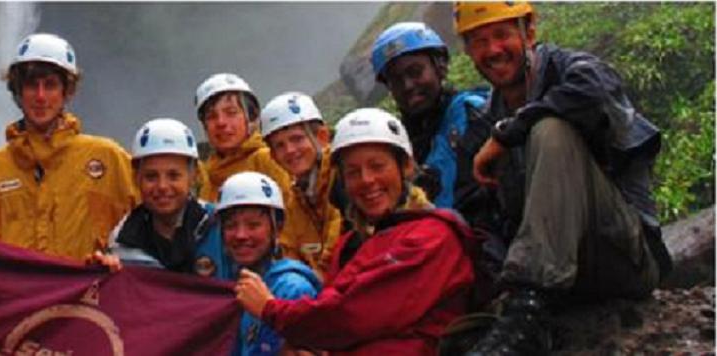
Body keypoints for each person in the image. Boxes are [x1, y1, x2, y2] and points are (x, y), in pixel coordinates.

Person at [453, 2, 672, 354]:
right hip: (562, 283)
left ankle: (529, 311)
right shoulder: (480, 123)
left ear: (530, 32)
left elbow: (595, 89)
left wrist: (511, 132)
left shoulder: (572, 70)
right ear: (468, 51)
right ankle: (526, 307)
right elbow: (478, 215)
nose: (492, 50)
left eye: (501, 35)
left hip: (622, 256)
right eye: (478, 41)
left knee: (551, 129)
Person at [235, 108, 476, 355]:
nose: (367, 180)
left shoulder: (432, 237)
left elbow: (351, 315)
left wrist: (270, 309)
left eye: (377, 166)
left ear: (404, 166)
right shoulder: (351, 243)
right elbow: (332, 311)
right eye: (353, 173)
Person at [0, 33, 139, 261]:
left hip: (87, 295)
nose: (40, 96)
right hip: (16, 296)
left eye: (50, 85)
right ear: (18, 90)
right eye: (31, 85)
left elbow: (159, 224)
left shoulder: (109, 160)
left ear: (66, 91)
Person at [91, 118, 232, 279]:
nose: (162, 186)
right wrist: (106, 275)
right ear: (136, 178)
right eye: (151, 176)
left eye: (173, 176)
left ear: (193, 176)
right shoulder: (122, 243)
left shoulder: (222, 228)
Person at [371, 22, 490, 211]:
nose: (408, 85)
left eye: (415, 72)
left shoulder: (472, 113)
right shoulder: (398, 145)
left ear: (439, 67)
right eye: (396, 79)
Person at [216, 171, 321, 356]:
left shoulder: (293, 289)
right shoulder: (236, 286)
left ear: (277, 228)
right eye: (231, 225)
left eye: (253, 225)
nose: (240, 235)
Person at [258, 92, 343, 280]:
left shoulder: (341, 177)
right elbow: (288, 252)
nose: (290, 150)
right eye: (280, 145)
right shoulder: (295, 199)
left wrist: (314, 280)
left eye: (297, 139)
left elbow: (338, 245)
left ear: (322, 137)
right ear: (273, 157)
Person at [194, 73, 293, 203]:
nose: (221, 122)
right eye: (211, 116)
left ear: (250, 117)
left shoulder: (266, 160)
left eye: (231, 113)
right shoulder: (207, 175)